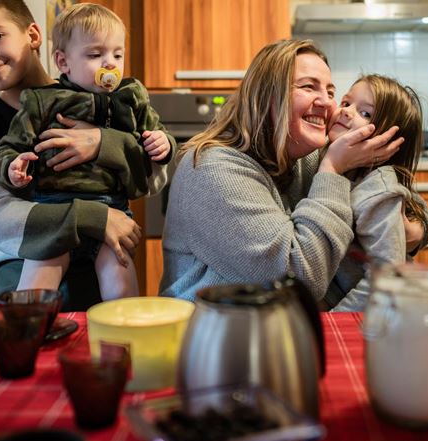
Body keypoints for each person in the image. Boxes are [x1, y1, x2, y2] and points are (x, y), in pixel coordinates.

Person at [159, 39, 405, 301]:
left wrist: (416, 223)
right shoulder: (212, 170)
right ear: (266, 96)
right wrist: (332, 170)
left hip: (276, 330)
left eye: (331, 92)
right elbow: (297, 282)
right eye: (309, 87)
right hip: (215, 335)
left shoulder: (303, 155)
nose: (327, 103)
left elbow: (376, 183)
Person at [0, 0, 148, 310]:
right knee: (26, 320)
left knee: (115, 308)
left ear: (34, 35)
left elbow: (154, 176)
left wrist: (102, 142)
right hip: (18, 258)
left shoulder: (93, 96)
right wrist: (92, 216)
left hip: (100, 251)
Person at [0, 2, 174, 300]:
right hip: (54, 213)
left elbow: (158, 138)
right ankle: (29, 335)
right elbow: (9, 146)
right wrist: (13, 165)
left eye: (117, 54)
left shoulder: (132, 97)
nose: (110, 64)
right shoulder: (42, 101)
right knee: (36, 290)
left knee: (121, 283)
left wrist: (163, 144)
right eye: (95, 55)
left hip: (113, 210)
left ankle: (122, 342)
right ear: (63, 62)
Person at [322, 75, 428, 312]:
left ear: (388, 141)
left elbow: (386, 278)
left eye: (366, 114)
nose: (347, 112)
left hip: (372, 317)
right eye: (346, 103)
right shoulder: (327, 161)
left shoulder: (378, 191)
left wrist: (336, 321)